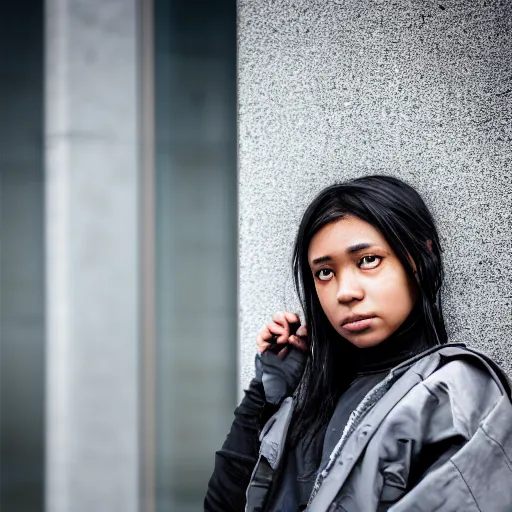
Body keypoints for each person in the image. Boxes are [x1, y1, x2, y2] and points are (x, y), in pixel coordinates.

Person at [204, 175, 512, 512]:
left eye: (368, 260)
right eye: (324, 272)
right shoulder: (313, 399)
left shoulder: (455, 392)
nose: (345, 292)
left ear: (420, 260)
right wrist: (263, 394)